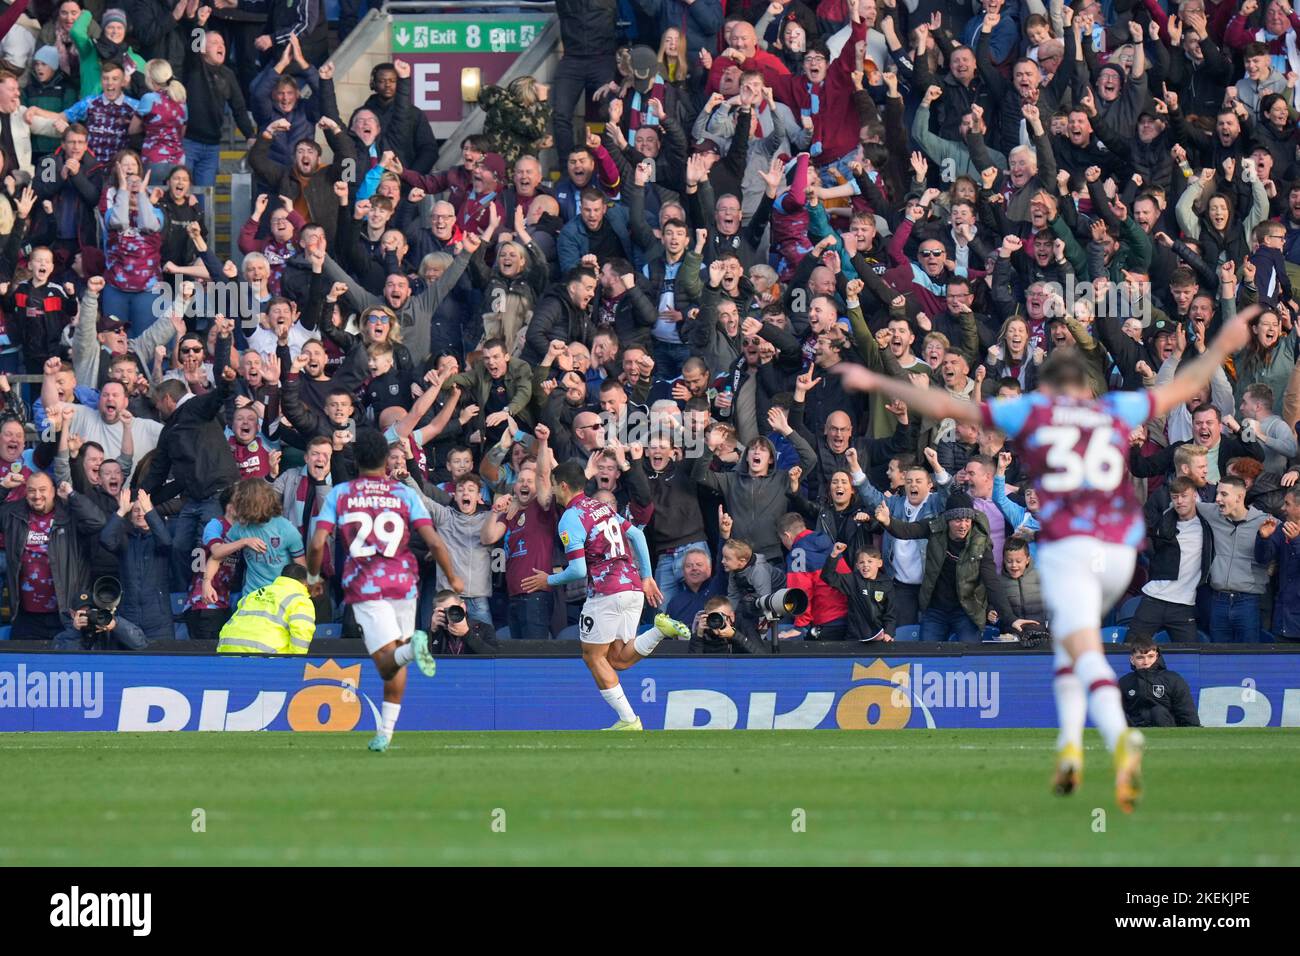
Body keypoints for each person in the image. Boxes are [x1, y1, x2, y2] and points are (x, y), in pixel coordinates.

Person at [835, 305, 1253, 812]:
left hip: (1071, 547)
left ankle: (1109, 743)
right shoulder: (1113, 408)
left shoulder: (1031, 412)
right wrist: (1224, 344)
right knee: (1076, 647)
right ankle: (1077, 749)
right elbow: (1184, 388)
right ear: (1086, 386)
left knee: (1077, 651)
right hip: (1119, 551)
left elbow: (947, 408)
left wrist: (872, 376)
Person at [307, 428, 465, 752]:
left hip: (366, 586)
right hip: (406, 583)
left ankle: (413, 649)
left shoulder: (341, 494)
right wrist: (454, 577)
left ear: (355, 460)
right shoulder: (404, 494)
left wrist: (312, 577)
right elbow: (433, 540)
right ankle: (386, 733)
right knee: (398, 659)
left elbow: (318, 539)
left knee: (385, 662)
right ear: (384, 459)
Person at [519, 460, 688, 730]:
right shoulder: (602, 508)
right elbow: (638, 538)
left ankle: (629, 720)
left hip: (606, 592)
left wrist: (547, 580)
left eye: (553, 485)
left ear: (562, 486)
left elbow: (577, 569)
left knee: (592, 656)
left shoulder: (570, 518)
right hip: (632, 587)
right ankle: (659, 630)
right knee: (618, 658)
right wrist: (646, 576)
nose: (551, 491)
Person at [217, 563, 317, 655]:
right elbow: (301, 634)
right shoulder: (300, 600)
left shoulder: (256, 593)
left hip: (227, 649)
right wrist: (294, 664)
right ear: (305, 583)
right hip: (264, 657)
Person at [1119, 637, 1201, 728]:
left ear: (1157, 656)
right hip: (1136, 733)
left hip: (1168, 733)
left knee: (1158, 712)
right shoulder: (1124, 682)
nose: (1146, 662)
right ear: (1132, 660)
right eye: (1140, 658)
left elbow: (1187, 714)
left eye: (1150, 656)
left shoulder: (1173, 679)